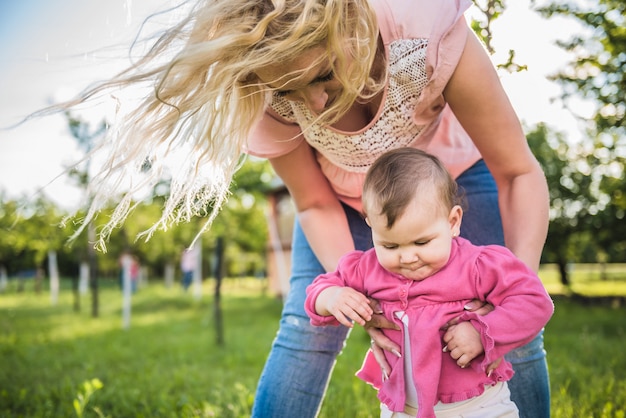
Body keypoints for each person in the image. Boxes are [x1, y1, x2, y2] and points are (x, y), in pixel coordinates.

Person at [49, 0, 551, 416]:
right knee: (304, 332)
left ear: (350, 31)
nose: (312, 104)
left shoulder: (421, 30)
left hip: (451, 183)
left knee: (516, 328)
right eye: (289, 90)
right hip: (340, 203)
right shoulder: (268, 98)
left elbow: (518, 173)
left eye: (325, 75)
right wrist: (355, 298)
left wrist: (512, 295)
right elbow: (312, 203)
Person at [305, 148, 554, 418]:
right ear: (372, 229)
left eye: (422, 242)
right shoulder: (367, 267)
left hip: (478, 406)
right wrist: (331, 297)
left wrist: (483, 333)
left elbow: (535, 301)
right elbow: (316, 292)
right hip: (401, 407)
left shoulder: (477, 265)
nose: (408, 257)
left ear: (452, 222)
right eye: (390, 244)